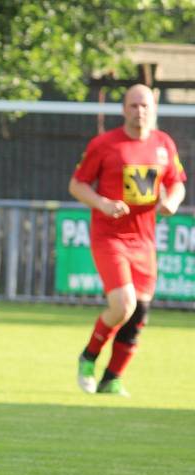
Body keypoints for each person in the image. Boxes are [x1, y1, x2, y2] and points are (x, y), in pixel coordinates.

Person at [70, 84, 186, 396]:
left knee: (139, 313)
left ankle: (112, 379)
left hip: (144, 240)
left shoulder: (164, 144)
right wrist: (104, 204)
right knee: (123, 305)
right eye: (133, 106)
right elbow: (77, 184)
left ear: (154, 108)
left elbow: (177, 184)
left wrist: (172, 202)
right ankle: (89, 356)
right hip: (110, 236)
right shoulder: (105, 144)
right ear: (123, 110)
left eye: (145, 105)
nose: (140, 111)